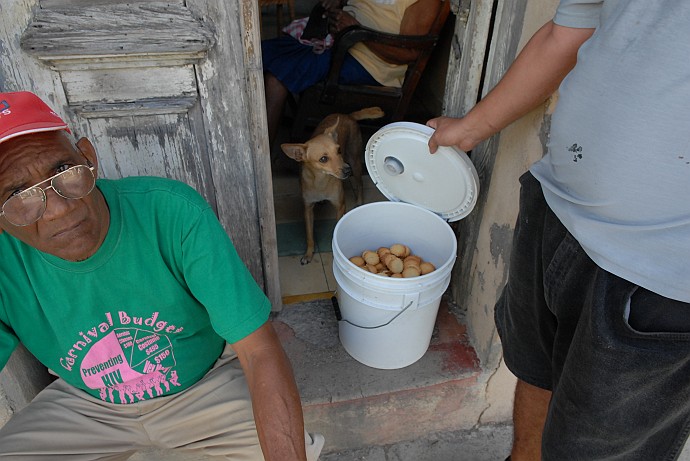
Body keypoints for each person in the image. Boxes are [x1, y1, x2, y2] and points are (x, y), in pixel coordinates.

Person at [427, 1, 690, 460]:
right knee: (536, 369)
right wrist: (472, 128)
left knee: (597, 447)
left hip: (658, 273)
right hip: (555, 210)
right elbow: (567, 31)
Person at [0, 91, 324, 460]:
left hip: (204, 387)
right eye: (18, 195)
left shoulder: (171, 212)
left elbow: (259, 350)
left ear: (88, 158)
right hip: (87, 405)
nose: (57, 209)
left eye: (64, 171)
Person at [262, 0, 443, 148]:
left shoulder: (424, 2)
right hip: (337, 43)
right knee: (257, 54)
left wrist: (355, 28)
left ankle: (259, 161)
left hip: (369, 64)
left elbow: (408, 53)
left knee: (276, 79)